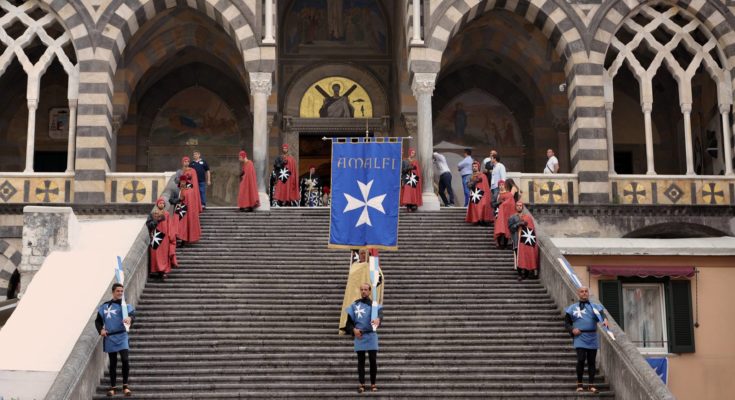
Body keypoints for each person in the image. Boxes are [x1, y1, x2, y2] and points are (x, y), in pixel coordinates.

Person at [565, 287, 609, 394]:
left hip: (592, 337)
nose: (584, 293)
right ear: (578, 293)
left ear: (588, 293)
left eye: (586, 291)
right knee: (580, 359)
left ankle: (591, 385)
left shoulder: (595, 307)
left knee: (591, 362)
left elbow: (602, 314)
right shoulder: (572, 308)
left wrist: (606, 320)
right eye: (582, 291)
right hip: (580, 337)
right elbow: (567, 323)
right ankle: (579, 384)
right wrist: (572, 329)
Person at [95, 283, 135, 397]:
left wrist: (129, 318)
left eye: (122, 291)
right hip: (110, 337)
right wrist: (101, 330)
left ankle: (125, 386)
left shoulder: (125, 306)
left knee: (125, 359)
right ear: (113, 292)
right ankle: (113, 387)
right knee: (112, 363)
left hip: (122, 336)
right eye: (118, 291)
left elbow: (133, 315)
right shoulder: (105, 306)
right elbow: (97, 321)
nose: (120, 293)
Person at [344, 283, 383, 393]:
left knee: (373, 360)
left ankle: (373, 384)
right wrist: (353, 330)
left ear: (370, 291)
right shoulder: (354, 305)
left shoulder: (375, 306)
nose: (363, 291)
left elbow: (380, 315)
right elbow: (348, 324)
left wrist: (378, 319)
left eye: (366, 289)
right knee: (360, 361)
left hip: (371, 335)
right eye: (362, 289)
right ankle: (361, 384)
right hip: (360, 335)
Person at [146, 197, 177, 280]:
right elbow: (149, 225)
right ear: (157, 204)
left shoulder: (166, 214)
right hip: (156, 235)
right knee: (155, 254)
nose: (162, 204)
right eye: (160, 203)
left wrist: (170, 235)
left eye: (163, 203)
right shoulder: (153, 214)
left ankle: (164, 271)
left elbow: (169, 225)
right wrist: (156, 220)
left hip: (165, 237)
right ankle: (156, 270)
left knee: (164, 255)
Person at [508, 200, 537, 281]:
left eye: (520, 205)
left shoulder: (527, 217)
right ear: (515, 207)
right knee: (518, 257)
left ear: (522, 207)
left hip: (525, 240)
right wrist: (518, 224)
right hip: (517, 239)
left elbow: (531, 228)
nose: (519, 207)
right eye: (517, 205)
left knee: (526, 256)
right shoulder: (512, 217)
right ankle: (520, 274)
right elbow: (510, 228)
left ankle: (526, 273)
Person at [465, 160, 493, 225]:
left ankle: (483, 219)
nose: (474, 167)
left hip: (483, 194)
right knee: (475, 207)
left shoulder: (483, 175)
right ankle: (476, 220)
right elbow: (468, 185)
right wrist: (475, 181)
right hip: (475, 193)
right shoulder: (470, 176)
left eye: (476, 166)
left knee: (483, 206)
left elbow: (486, 186)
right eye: (473, 166)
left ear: (478, 167)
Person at [176, 174, 201, 244]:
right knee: (182, 226)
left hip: (185, 210)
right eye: (181, 181)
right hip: (182, 210)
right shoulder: (182, 189)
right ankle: (183, 240)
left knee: (184, 225)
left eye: (184, 181)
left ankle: (183, 241)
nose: (182, 183)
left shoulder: (188, 190)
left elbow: (183, 199)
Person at [493, 180, 517, 248]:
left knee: (506, 227)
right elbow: (492, 204)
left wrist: (503, 205)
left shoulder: (509, 194)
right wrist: (498, 203)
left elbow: (511, 203)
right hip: (498, 213)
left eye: (502, 185)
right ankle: (499, 243)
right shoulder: (496, 194)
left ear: (505, 185)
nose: (501, 186)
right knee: (499, 227)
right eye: (500, 185)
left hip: (506, 213)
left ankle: (506, 243)